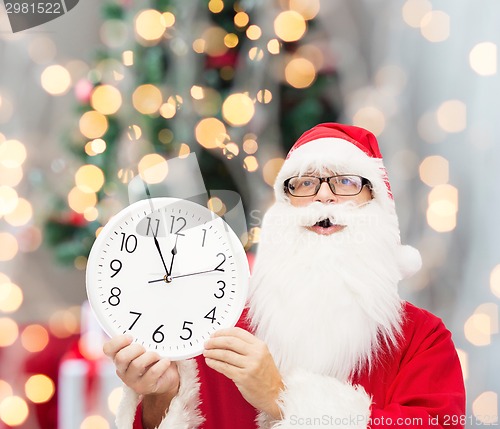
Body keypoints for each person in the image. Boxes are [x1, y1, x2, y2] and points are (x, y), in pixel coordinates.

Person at [104, 123, 466, 429]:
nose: (324, 197)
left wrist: (282, 399)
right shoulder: (218, 323)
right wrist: (161, 396)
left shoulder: (423, 340)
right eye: (304, 183)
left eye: (345, 182)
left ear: (377, 205)